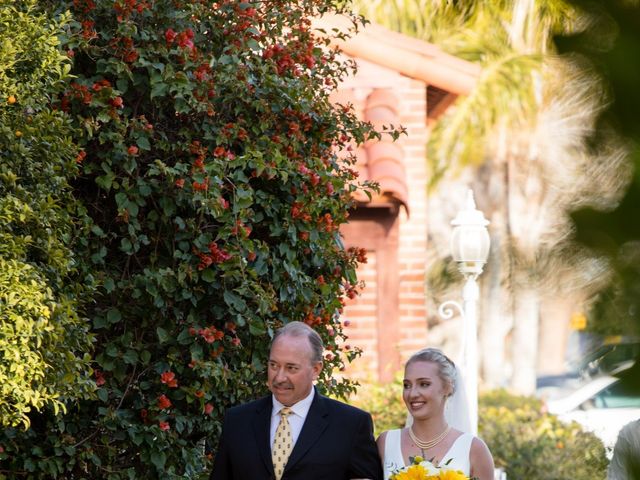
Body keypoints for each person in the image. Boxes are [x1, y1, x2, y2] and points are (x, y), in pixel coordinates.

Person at [210, 321, 383, 480]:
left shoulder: (351, 425)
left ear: (316, 370)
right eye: (274, 365)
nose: (279, 377)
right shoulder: (238, 421)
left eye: (291, 368)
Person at [376, 348, 494, 480]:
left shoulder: (474, 449)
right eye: (407, 385)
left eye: (424, 384)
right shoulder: (386, 443)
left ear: (447, 387)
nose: (412, 394)